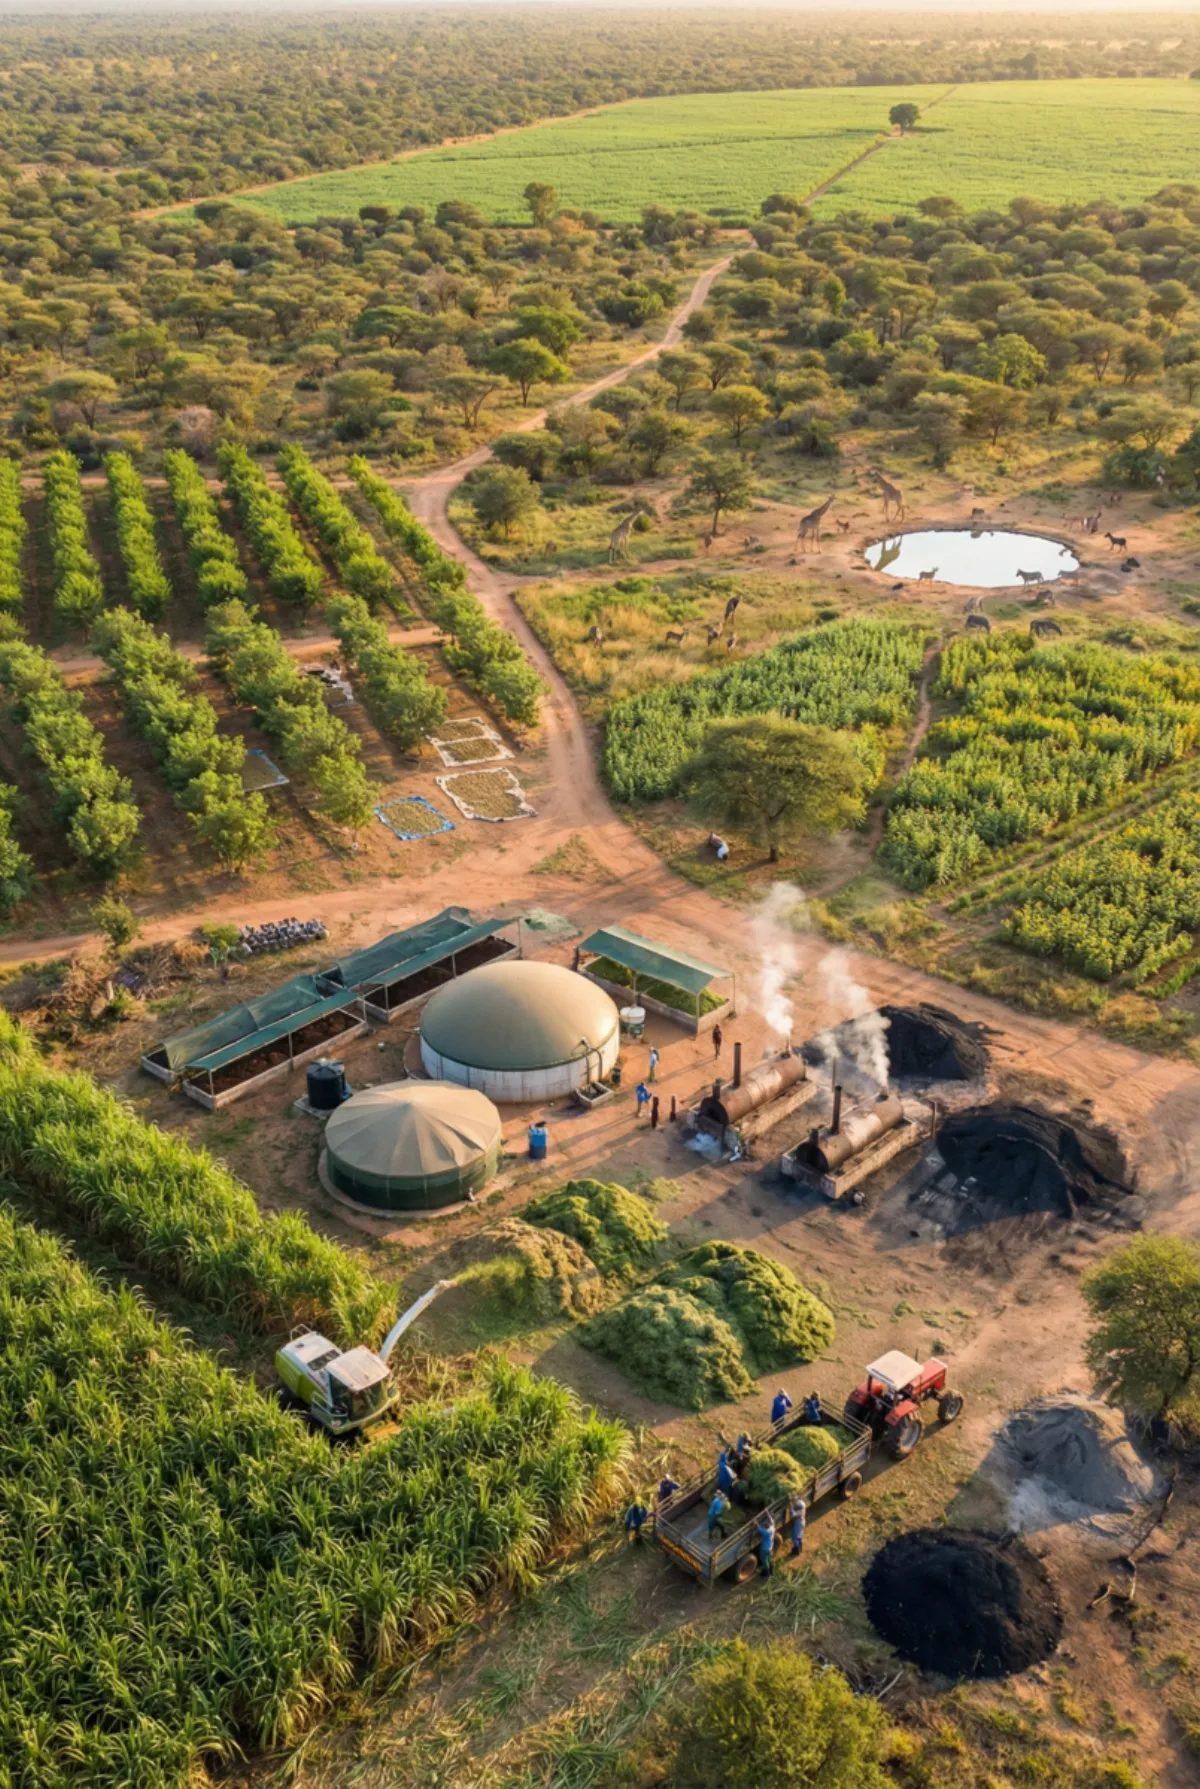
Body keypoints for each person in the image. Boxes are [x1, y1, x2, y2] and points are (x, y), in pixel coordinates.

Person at [755, 1508, 776, 1577]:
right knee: (769, 1558)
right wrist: (767, 1512)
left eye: (765, 1525)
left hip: (765, 1548)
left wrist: (755, 1523)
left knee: (764, 1560)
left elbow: (758, 1528)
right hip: (770, 1546)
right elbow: (771, 1519)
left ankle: (766, 1572)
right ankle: (771, 1569)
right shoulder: (772, 1527)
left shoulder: (766, 1532)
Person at [787, 1493, 806, 1558]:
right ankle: (800, 1548)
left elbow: (792, 1514)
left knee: (795, 1537)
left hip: (798, 1524)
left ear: (798, 1507)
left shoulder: (799, 1512)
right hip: (802, 1522)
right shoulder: (803, 1508)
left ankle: (796, 1551)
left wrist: (789, 1502)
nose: (795, 1507)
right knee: (799, 1536)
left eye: (796, 1506)